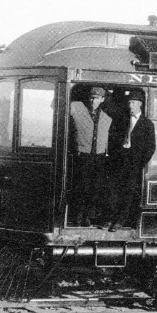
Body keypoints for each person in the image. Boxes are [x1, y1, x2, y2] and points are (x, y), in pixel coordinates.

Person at [105, 90, 155, 232]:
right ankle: (111, 219)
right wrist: (114, 156)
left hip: (134, 165)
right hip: (119, 162)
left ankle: (120, 221)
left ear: (139, 104)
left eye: (133, 102)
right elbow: (112, 140)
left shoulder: (147, 124)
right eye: (129, 102)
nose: (130, 105)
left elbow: (151, 147)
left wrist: (140, 163)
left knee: (128, 193)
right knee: (114, 191)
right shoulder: (121, 120)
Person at [69, 87, 112, 227]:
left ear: (102, 100)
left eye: (97, 98)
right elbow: (55, 104)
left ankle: (87, 216)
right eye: (92, 97)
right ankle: (77, 216)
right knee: (81, 187)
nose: (93, 100)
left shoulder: (106, 117)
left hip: (99, 157)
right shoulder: (77, 107)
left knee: (94, 188)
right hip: (83, 155)